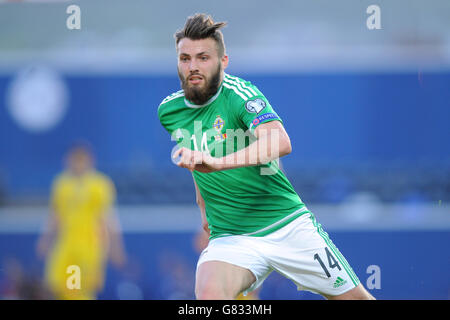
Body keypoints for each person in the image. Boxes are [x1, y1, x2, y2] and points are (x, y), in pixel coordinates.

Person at [158, 13, 375, 300]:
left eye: (203, 57)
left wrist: (217, 163)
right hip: (232, 236)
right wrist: (202, 208)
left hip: (286, 225)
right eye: (185, 58)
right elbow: (196, 160)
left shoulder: (239, 95)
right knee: (209, 293)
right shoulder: (169, 111)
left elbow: (280, 141)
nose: (193, 67)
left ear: (223, 62)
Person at [36, 142, 126, 300]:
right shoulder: (61, 184)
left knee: (78, 290)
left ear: (90, 161)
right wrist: (45, 239)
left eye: (81, 160)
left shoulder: (100, 185)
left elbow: (108, 219)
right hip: (66, 245)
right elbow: (55, 216)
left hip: (88, 247)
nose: (77, 164)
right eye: (74, 159)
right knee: (57, 287)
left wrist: (116, 247)